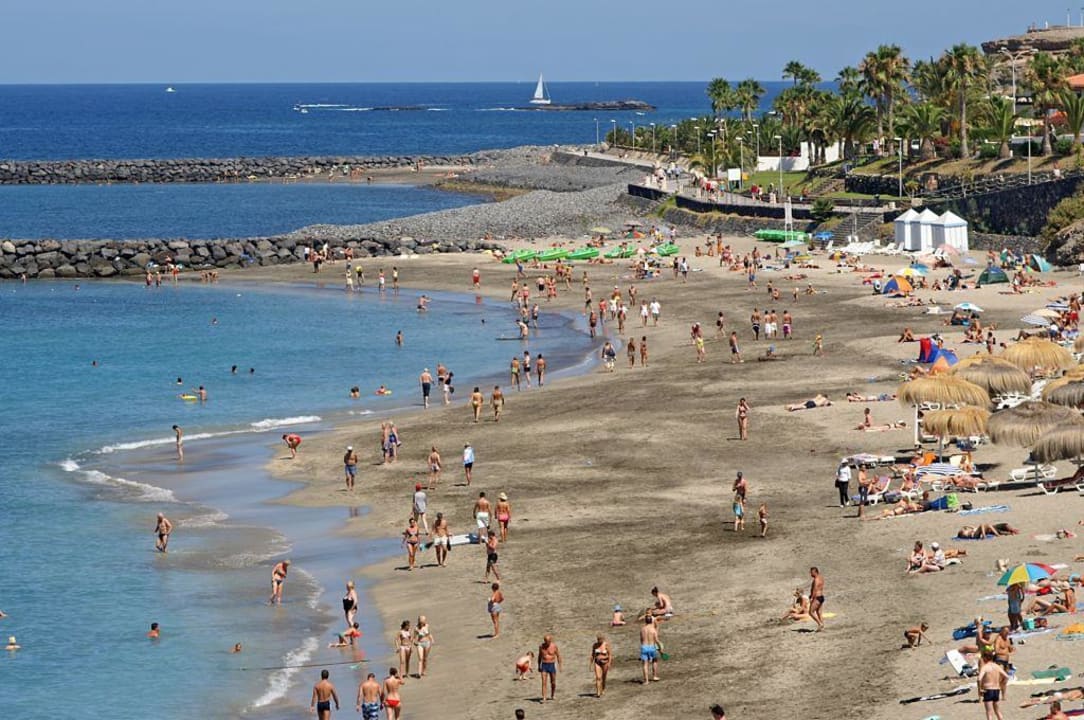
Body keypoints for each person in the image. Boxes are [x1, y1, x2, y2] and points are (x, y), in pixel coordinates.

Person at [978, 652, 1008, 720]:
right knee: (997, 710)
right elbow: (1006, 676)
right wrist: (1001, 683)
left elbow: (979, 679)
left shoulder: (985, 667)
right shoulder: (997, 666)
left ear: (985, 658)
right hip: (996, 690)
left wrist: (980, 689)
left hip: (988, 690)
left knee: (989, 712)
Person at [538, 634, 562, 701]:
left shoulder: (554, 646)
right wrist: (538, 665)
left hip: (552, 664)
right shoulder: (541, 647)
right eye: (545, 641)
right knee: (544, 682)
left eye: (548, 641)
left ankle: (552, 695)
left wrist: (560, 666)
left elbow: (558, 656)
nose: (547, 642)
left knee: (553, 682)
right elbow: (539, 656)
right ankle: (544, 697)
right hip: (544, 665)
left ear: (550, 640)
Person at [639, 616, 661, 683]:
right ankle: (655, 676)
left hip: (644, 647)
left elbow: (641, 639)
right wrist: (660, 647)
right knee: (654, 661)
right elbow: (656, 640)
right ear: (651, 621)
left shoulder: (642, 629)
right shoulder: (653, 629)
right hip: (652, 647)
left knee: (645, 664)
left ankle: (646, 680)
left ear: (645, 621)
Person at [809, 567, 826, 631]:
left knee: (811, 612)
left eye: (811, 572)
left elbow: (815, 589)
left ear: (815, 572)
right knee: (819, 612)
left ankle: (820, 624)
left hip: (817, 597)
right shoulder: (821, 578)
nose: (810, 574)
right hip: (821, 597)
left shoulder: (816, 579)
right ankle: (822, 625)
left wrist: (812, 598)